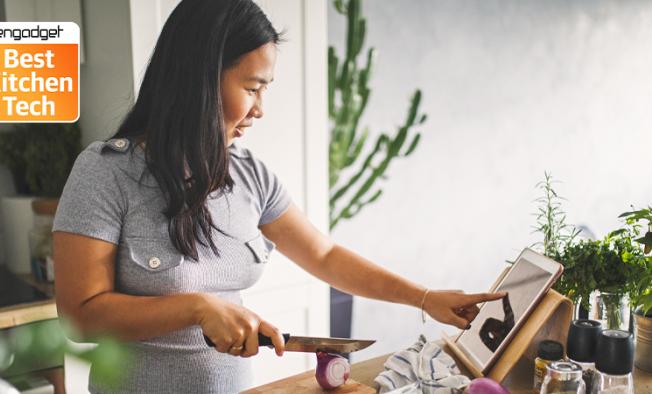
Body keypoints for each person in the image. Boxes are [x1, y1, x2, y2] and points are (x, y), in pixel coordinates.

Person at [52, 1, 506, 393]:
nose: (260, 108)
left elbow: (325, 255)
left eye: (265, 89)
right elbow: (80, 316)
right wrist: (196, 307)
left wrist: (425, 298)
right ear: (198, 80)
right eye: (251, 88)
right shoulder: (105, 172)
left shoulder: (249, 175)